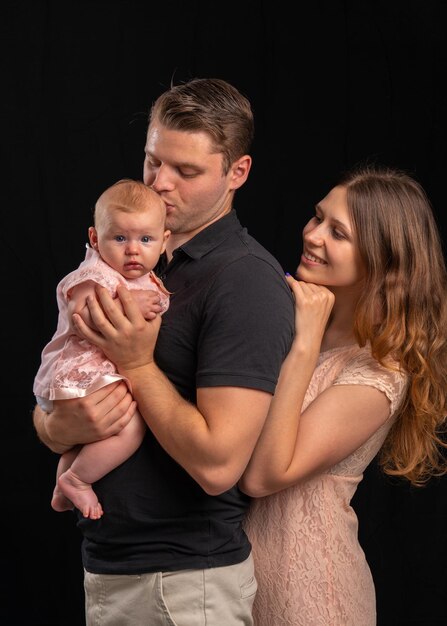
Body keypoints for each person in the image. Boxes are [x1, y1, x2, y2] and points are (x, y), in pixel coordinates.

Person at [32, 78, 295, 625]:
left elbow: (218, 464)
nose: (161, 185)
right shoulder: (135, 257)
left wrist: (135, 364)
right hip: (111, 566)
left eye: (187, 171)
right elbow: (65, 377)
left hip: (182, 583)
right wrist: (54, 428)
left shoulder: (244, 281)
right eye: (153, 162)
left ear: (237, 173)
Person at [239, 163, 447, 626]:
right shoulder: (286, 317)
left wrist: (305, 343)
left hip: (313, 597)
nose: (312, 236)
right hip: (239, 581)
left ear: (382, 260)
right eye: (317, 218)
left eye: (339, 232)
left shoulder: (380, 372)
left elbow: (265, 476)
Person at [33, 178, 171, 520]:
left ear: (164, 240)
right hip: (79, 371)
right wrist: (129, 303)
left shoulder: (146, 276)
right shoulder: (95, 273)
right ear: (96, 239)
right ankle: (79, 480)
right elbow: (82, 311)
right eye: (120, 238)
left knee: (86, 439)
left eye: (146, 239)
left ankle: (63, 482)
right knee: (132, 426)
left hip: (94, 376)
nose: (133, 250)